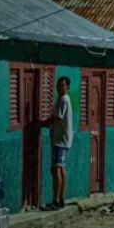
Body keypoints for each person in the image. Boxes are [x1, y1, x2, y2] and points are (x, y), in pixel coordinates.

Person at [46, 76, 75, 210]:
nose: (60, 87)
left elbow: (57, 117)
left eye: (62, 85)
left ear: (67, 87)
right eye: (58, 85)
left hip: (61, 140)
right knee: (61, 168)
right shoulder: (62, 99)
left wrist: (42, 123)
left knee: (57, 168)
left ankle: (56, 200)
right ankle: (61, 198)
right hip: (62, 138)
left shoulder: (64, 99)